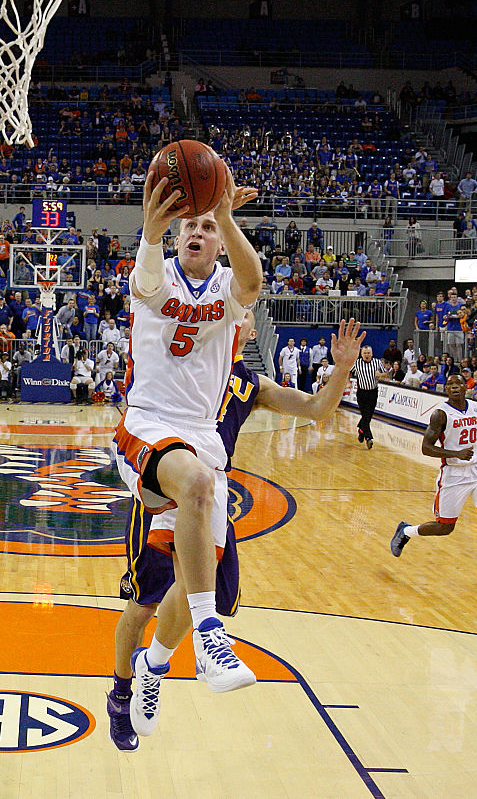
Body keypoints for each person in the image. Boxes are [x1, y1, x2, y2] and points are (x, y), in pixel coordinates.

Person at [108, 315, 364, 749]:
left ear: (248, 330)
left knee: (193, 591)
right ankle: (120, 696)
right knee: (142, 605)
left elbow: (319, 410)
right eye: (231, 309)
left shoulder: (250, 384)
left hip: (211, 482)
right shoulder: (179, 353)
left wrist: (341, 369)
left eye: (246, 314)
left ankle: (154, 665)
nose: (239, 317)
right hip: (166, 474)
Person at [112, 163, 263, 738]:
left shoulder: (229, 289)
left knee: (191, 574)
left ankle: (155, 662)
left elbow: (251, 285)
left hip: (201, 434)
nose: (195, 234)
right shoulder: (154, 272)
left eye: (206, 227)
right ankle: (209, 642)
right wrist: (152, 231)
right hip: (148, 425)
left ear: (221, 239)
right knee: (196, 484)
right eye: (188, 227)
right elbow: (145, 282)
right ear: (176, 235)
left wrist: (223, 211)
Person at [390, 373, 477, 591]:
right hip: (454, 474)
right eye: (449, 385)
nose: (454, 387)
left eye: (458, 383)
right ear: (446, 389)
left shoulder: (476, 407)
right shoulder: (440, 414)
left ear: (466, 386)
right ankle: (406, 531)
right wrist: (455, 452)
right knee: (445, 527)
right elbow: (426, 448)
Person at [351, 345, 380, 449]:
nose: (367, 355)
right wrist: (348, 383)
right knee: (366, 414)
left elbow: (386, 375)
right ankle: (368, 438)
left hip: (373, 392)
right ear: (361, 354)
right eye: (365, 353)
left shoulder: (377, 362)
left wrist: (381, 375)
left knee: (368, 416)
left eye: (368, 353)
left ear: (371, 353)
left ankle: (361, 430)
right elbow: (349, 372)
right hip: (362, 392)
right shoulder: (357, 363)